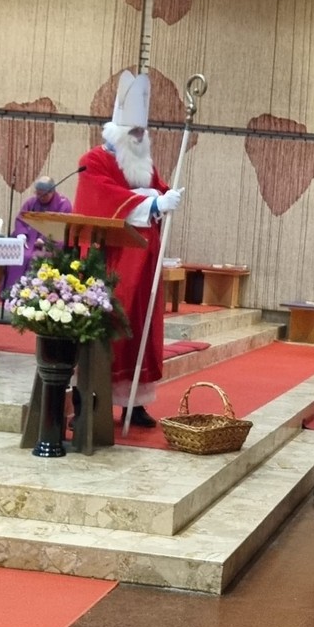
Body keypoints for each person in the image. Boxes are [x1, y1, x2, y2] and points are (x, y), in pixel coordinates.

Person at [74, 70, 184, 428]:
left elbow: (158, 189)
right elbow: (99, 199)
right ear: (117, 130)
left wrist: (165, 196)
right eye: (133, 131)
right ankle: (88, 402)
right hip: (110, 261)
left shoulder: (142, 163)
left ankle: (134, 405)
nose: (139, 136)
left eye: (142, 131)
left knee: (139, 328)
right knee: (107, 327)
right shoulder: (94, 160)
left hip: (144, 260)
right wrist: (151, 202)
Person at [2, 175, 72, 293]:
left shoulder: (63, 205)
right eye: (38, 194)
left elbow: (62, 228)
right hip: (29, 241)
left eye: (44, 195)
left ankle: (31, 294)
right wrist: (22, 235)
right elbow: (21, 219)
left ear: (52, 192)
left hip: (50, 244)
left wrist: (45, 240)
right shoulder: (31, 202)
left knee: (33, 258)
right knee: (17, 254)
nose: (41, 197)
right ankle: (11, 292)